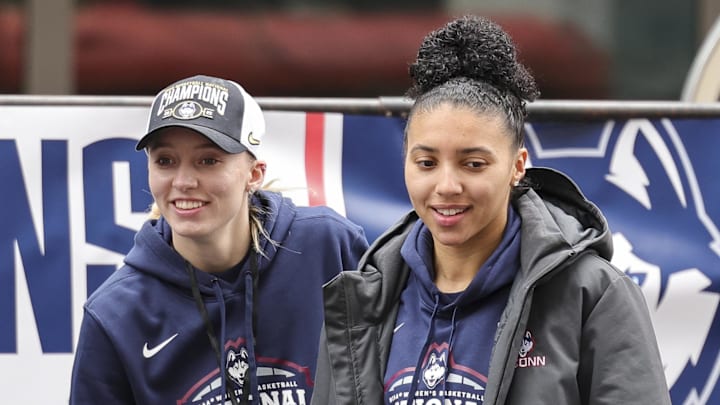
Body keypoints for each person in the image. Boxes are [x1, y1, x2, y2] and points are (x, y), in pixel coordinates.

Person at [311, 15, 671, 405]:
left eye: (474, 164)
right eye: (427, 163)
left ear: (518, 166)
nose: (447, 186)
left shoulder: (594, 295)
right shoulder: (364, 298)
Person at [69, 74, 369, 404]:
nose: (183, 181)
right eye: (165, 161)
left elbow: (388, 370)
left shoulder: (327, 246)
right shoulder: (116, 312)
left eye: (208, 160)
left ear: (254, 174)